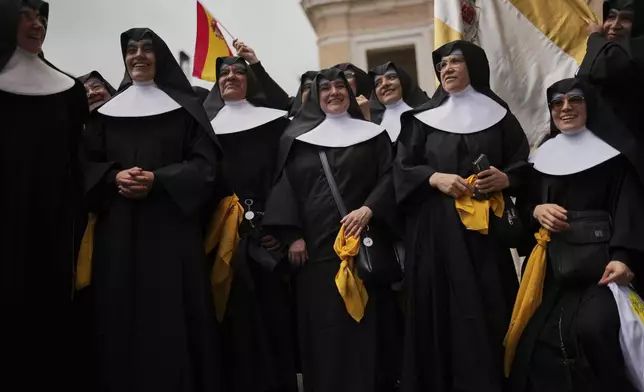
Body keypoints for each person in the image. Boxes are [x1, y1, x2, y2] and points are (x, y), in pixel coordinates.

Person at [80, 27, 222, 392]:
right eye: (131, 50)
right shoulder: (105, 115)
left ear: (159, 57)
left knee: (173, 315)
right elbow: (84, 166)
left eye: (146, 49)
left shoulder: (185, 111)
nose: (138, 55)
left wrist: (158, 180)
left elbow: (205, 167)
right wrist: (114, 177)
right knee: (119, 313)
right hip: (119, 231)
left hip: (171, 230)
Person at [394, 40, 530, 392]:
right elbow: (402, 167)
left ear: (472, 66)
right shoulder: (421, 118)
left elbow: (521, 162)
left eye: (455, 62)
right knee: (442, 312)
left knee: (488, 306)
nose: (447, 69)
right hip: (437, 230)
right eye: (442, 65)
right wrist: (434, 177)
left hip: (485, 233)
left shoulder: (498, 114)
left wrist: (507, 177)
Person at [264, 68, 401, 392]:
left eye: (340, 86)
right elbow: (285, 187)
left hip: (364, 251)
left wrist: (369, 209)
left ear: (350, 94)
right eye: (325, 88)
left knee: (368, 330)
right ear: (316, 96)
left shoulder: (373, 135)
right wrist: (292, 235)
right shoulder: (296, 141)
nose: (334, 92)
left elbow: (392, 177)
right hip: (317, 255)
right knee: (324, 334)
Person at [507, 78, 644, 392]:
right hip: (554, 274)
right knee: (534, 343)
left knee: (594, 330)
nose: (565, 108)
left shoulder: (615, 157)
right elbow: (526, 206)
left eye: (574, 100)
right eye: (557, 103)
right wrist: (536, 211)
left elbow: (630, 210)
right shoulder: (540, 160)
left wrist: (624, 259)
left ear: (589, 105)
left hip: (605, 271)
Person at [0, 0, 88, 388]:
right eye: (26, 16)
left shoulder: (68, 90)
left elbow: (77, 162)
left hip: (51, 227)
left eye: (42, 17)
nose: (38, 25)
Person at [202, 55, 296, 392]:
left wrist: (279, 228)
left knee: (273, 316)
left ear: (249, 80)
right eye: (224, 73)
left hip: (268, 239)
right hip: (220, 238)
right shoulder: (204, 127)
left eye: (239, 72)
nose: (231, 77)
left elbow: (287, 176)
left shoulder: (275, 123)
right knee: (231, 317)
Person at [578, 0, 644, 141]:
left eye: (626, 19)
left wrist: (594, 37)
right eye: (611, 17)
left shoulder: (638, 49)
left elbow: (601, 69)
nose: (615, 25)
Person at [369, 62, 429, 144]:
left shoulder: (426, 112)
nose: (385, 84)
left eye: (391, 77)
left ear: (403, 81)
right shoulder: (372, 123)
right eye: (378, 83)